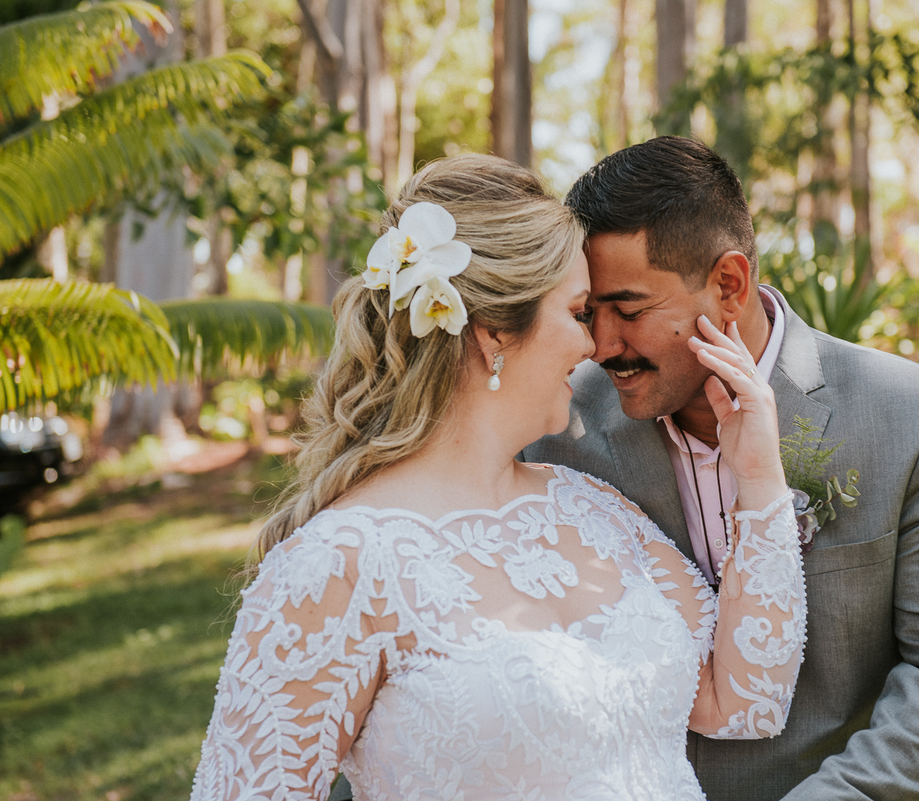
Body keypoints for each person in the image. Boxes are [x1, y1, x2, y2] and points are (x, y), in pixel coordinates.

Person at [190, 154, 809, 800]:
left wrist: (758, 476)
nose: (594, 345)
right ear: (493, 335)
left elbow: (744, 700)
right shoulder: (339, 565)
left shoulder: (596, 509)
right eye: (577, 313)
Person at [523, 136, 919, 800]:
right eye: (590, 314)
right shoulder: (556, 427)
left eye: (631, 311)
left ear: (729, 283)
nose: (603, 344)